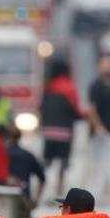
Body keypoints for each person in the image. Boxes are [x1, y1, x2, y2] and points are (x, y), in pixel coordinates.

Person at [40, 58, 86, 198]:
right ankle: (59, 190)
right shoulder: (70, 87)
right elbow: (76, 111)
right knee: (63, 163)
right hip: (65, 132)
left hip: (48, 132)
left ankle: (41, 188)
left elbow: (41, 107)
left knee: (47, 162)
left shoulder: (48, 86)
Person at [88, 54, 110, 198]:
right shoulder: (95, 86)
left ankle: (107, 190)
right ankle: (95, 191)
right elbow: (91, 108)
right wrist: (98, 126)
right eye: (105, 63)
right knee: (97, 162)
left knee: (109, 161)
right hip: (98, 131)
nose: (108, 66)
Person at [5, 125, 46, 206]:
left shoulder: (1, 154)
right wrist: (35, 201)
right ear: (19, 137)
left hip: (4, 197)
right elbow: (42, 179)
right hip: (24, 200)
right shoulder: (28, 155)